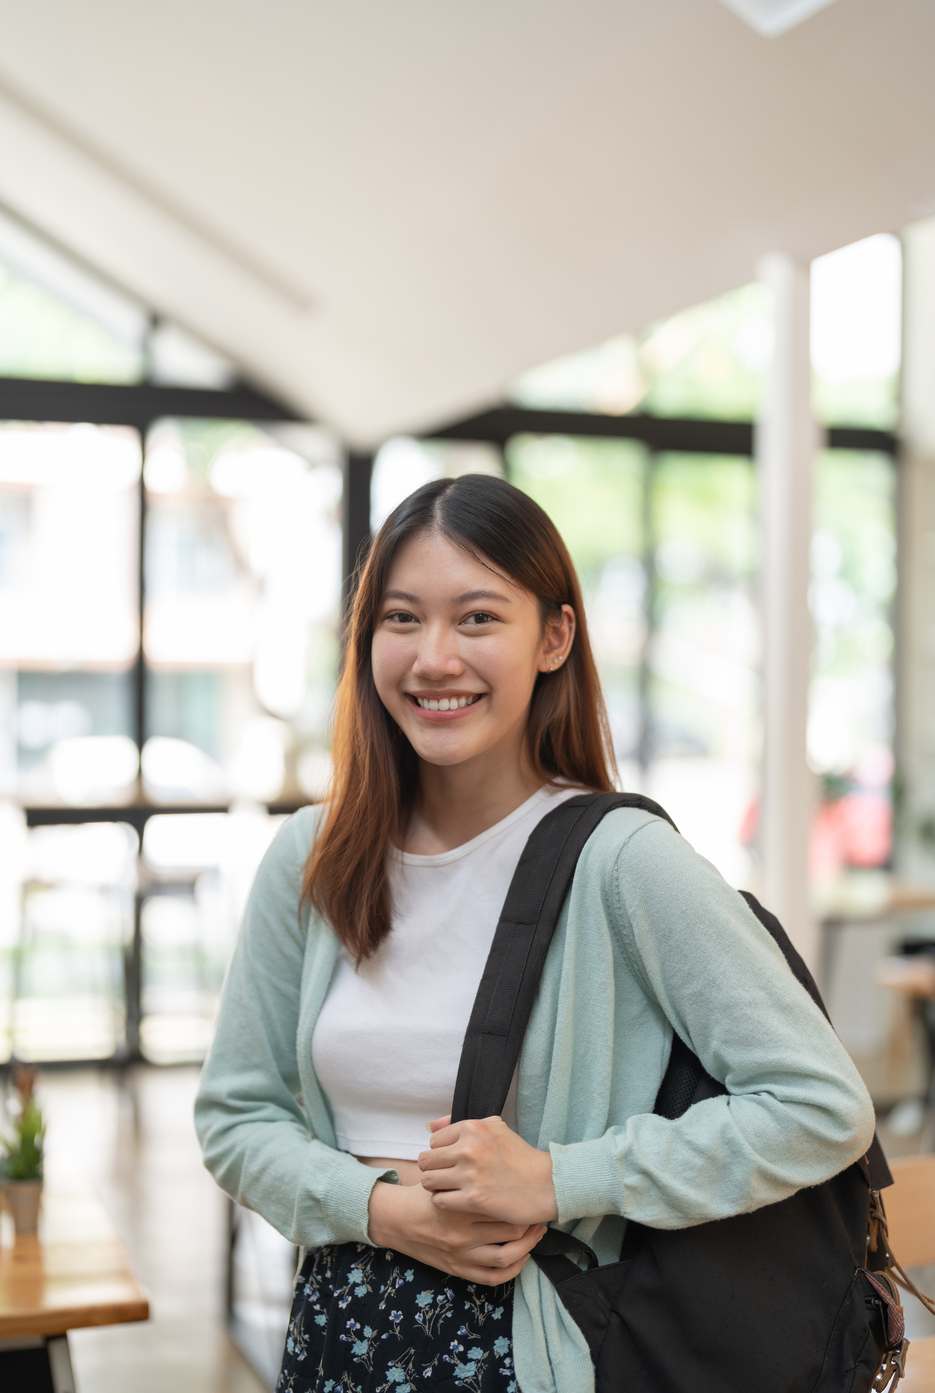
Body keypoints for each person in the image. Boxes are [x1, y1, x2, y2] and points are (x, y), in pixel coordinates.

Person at [195, 474, 875, 1393]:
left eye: (477, 618)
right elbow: (236, 1116)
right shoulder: (313, 856)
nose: (434, 658)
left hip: (537, 1345)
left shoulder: (623, 862)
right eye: (402, 618)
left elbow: (819, 1105)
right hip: (338, 1326)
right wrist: (383, 1210)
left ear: (554, 636)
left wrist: (562, 1179)